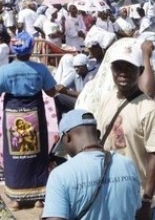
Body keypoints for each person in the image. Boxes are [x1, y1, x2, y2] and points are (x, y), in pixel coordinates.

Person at [95, 40, 155, 219]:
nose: (123, 72)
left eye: (129, 67)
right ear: (111, 69)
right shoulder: (107, 100)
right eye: (118, 66)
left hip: (137, 194)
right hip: (110, 190)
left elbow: (154, 158)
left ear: (140, 71)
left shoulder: (150, 110)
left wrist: (146, 201)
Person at [42, 110, 141, 220]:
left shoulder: (60, 175)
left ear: (67, 138)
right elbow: (135, 210)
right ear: (98, 134)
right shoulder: (128, 165)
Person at [0, 32, 58, 210]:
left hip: (12, 113)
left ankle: (16, 200)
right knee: (36, 154)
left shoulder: (4, 70)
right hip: (35, 113)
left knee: (15, 154)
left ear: (13, 48)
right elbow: (51, 92)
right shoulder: (40, 69)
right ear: (32, 48)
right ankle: (38, 199)